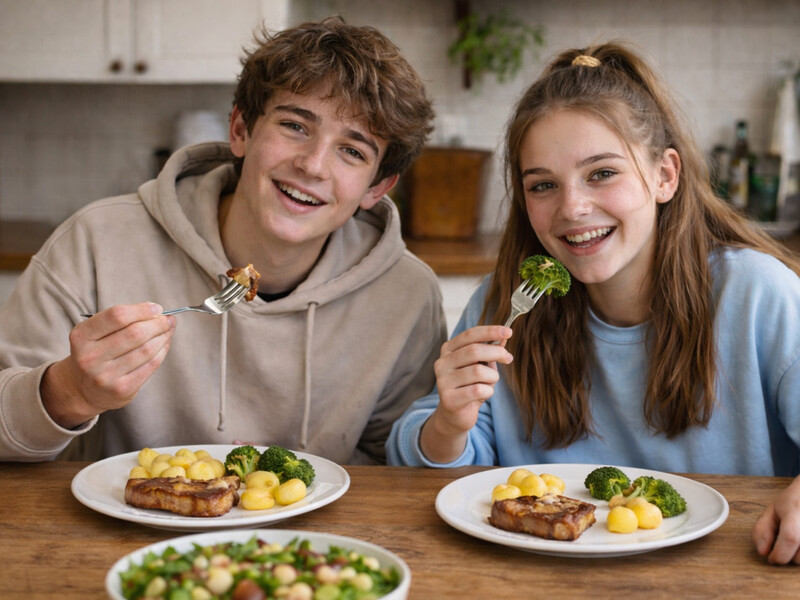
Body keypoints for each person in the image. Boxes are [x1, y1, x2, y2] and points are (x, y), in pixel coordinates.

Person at [387, 42, 800, 564]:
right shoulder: (509, 304)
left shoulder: (758, 295)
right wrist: (448, 422)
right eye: (543, 185)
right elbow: (423, 469)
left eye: (602, 173)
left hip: (730, 570)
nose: (573, 208)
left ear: (664, 176)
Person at [0, 16, 446, 466]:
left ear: (377, 188)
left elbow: (393, 467)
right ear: (240, 130)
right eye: (295, 126)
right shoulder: (97, 241)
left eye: (352, 151)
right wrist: (69, 393)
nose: (313, 166)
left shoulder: (406, 294)